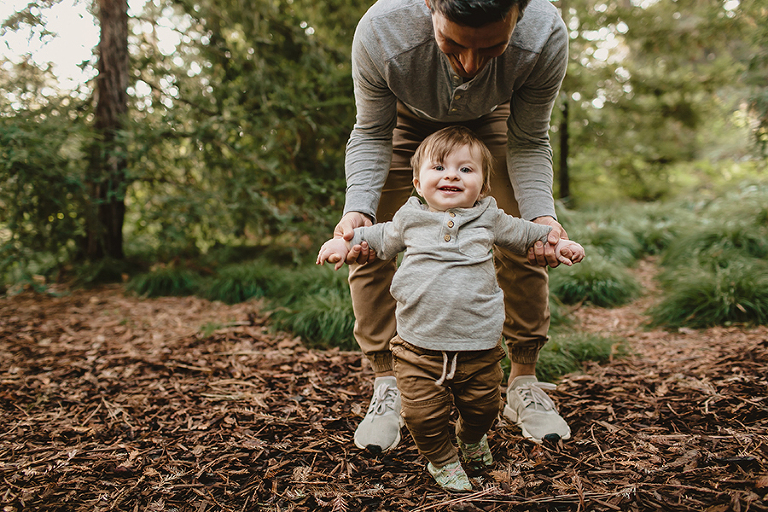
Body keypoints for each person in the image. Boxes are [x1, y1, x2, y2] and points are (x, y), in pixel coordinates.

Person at [334, 0, 572, 454]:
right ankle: (390, 381)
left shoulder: (544, 34)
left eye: (492, 48)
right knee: (369, 240)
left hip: (496, 121)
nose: (469, 65)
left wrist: (542, 218)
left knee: (520, 231)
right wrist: (358, 209)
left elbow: (529, 138)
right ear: (429, 4)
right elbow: (371, 132)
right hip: (403, 124)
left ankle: (522, 380)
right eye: (452, 44)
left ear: (520, 12)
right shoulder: (383, 32)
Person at [318, 126, 585, 491]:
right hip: (417, 347)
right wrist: (342, 244)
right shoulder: (408, 219)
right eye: (439, 167)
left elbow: (529, 236)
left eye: (465, 169)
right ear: (416, 181)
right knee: (422, 415)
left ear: (484, 185)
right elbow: (375, 237)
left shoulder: (491, 218)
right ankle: (441, 460)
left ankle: (471, 438)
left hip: (479, 345)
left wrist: (559, 245)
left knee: (483, 409)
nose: (451, 175)